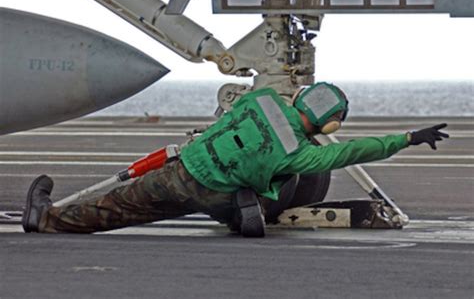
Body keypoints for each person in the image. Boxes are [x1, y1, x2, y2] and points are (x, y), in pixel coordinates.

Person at [22, 82, 449, 237]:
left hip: (183, 171)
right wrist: (409, 137)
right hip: (220, 195)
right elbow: (358, 150)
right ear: (329, 126)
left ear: (299, 97)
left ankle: (45, 219)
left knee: (119, 208)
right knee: (284, 178)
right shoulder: (300, 151)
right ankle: (248, 209)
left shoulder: (260, 97)